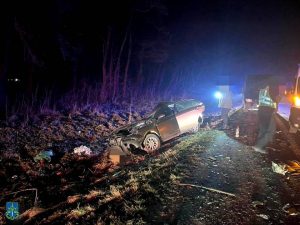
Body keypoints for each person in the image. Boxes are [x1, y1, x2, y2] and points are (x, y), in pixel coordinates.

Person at [253, 85, 277, 154]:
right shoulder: (271, 90)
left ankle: (261, 146)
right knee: (271, 130)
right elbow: (274, 100)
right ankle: (258, 146)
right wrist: (275, 108)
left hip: (261, 111)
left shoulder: (261, 90)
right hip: (268, 111)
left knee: (263, 129)